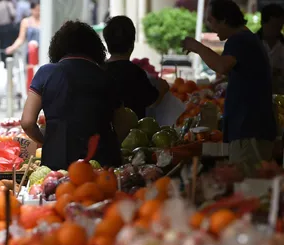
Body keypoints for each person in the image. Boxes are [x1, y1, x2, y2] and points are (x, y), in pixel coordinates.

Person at [182, 0, 276, 176]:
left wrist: (196, 47)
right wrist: (217, 84)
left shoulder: (239, 40)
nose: (210, 26)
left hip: (249, 129)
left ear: (225, 20)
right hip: (254, 129)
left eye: (212, 20)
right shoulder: (249, 39)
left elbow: (221, 66)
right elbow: (241, 73)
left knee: (247, 185)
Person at [21, 20, 121, 170]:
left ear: (57, 47)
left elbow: (27, 122)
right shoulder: (106, 77)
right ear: (94, 48)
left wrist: (47, 140)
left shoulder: (46, 73)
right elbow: (123, 123)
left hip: (57, 163)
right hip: (100, 164)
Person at [103, 16, 169, 120]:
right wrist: (163, 89)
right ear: (132, 45)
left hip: (106, 132)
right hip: (133, 132)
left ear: (107, 43)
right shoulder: (136, 72)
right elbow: (153, 102)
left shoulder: (100, 70)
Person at [257, 4, 284, 94]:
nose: (277, 30)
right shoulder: (252, 44)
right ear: (263, 23)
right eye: (273, 26)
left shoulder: (282, 45)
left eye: (280, 27)